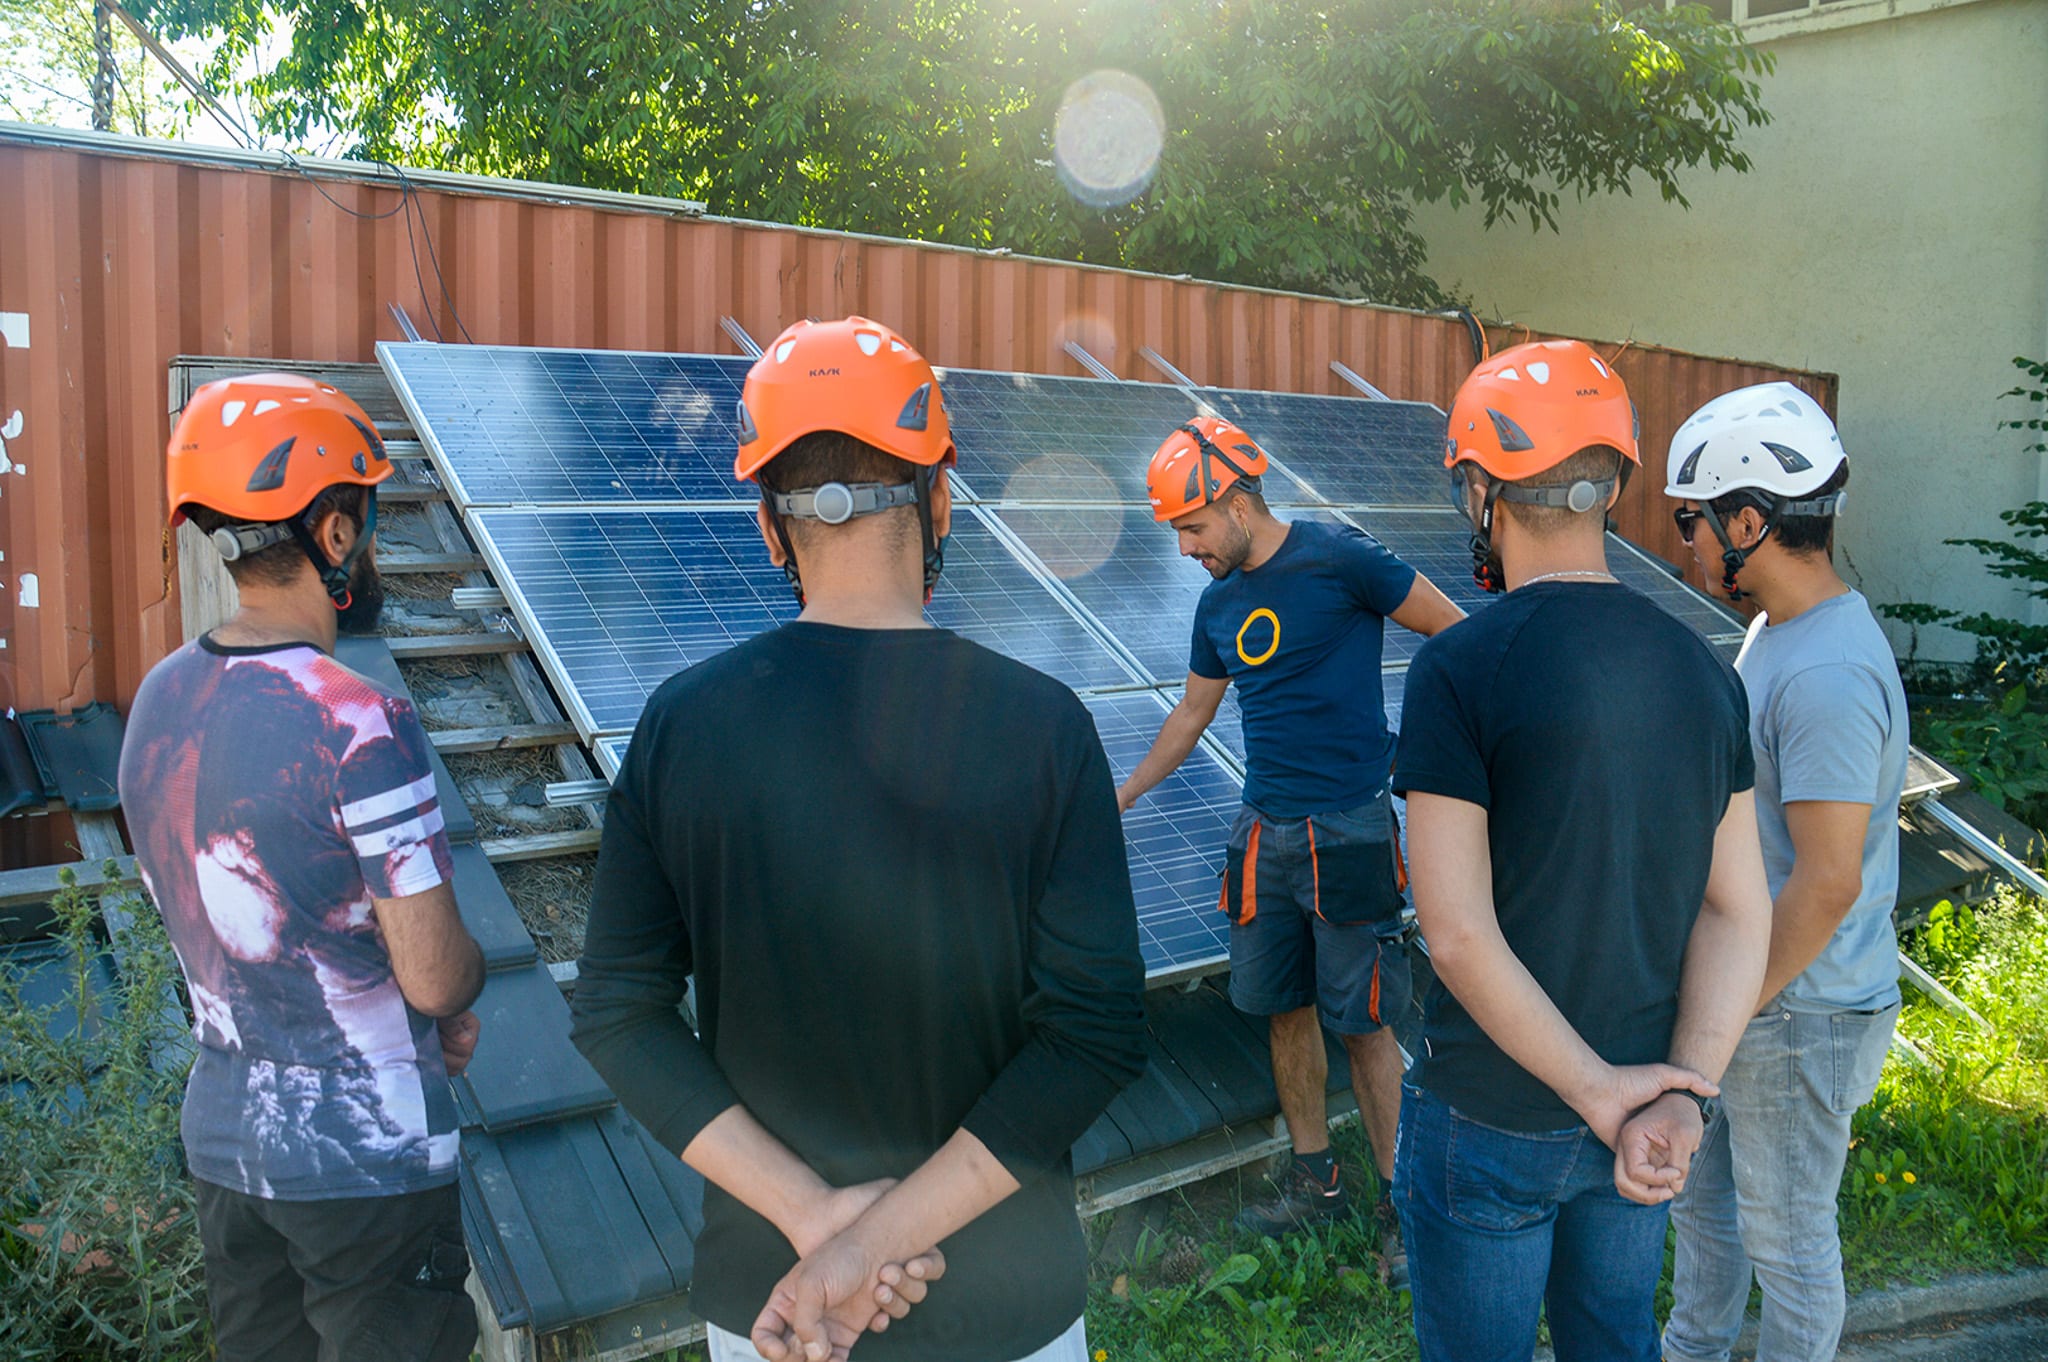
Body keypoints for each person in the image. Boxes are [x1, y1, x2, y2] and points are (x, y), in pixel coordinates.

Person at [568, 316, 1147, 1362]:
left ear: (768, 527)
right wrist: (877, 1240)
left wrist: (821, 1223)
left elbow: (617, 1015)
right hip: (1004, 1303)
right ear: (939, 500)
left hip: (777, 1305)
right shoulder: (1043, 726)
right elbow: (1093, 1035)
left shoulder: (682, 726)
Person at [1391, 340, 1775, 1362]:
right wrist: (1679, 1090)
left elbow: (1456, 934)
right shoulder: (1704, 671)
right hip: (1645, 1109)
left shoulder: (1457, 670)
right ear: (1612, 484)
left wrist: (1595, 1091)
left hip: (1490, 1113)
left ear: (1480, 490)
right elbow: (1738, 908)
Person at [118, 373, 486, 1362]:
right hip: (364, 1166)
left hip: (228, 1150)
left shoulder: (158, 700)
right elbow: (434, 976)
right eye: (366, 517)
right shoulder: (360, 718)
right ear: (333, 533)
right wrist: (450, 996)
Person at [1113, 415, 1464, 1273]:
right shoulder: (1217, 604)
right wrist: (1119, 793)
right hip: (1261, 831)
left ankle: (1401, 1207)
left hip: (1347, 831)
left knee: (1367, 1024)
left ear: (1237, 503)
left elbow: (1455, 635)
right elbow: (1192, 714)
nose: (1186, 548)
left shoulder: (1341, 559)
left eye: (1193, 527)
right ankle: (1316, 1180)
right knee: (1283, 1008)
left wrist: (1427, 757)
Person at [1661, 384, 1907, 1362]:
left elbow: (1827, 881)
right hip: (1760, 1000)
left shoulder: (1825, 673)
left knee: (1788, 1247)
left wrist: (1723, 1012)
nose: (1683, 540)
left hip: (1798, 1010)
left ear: (1747, 521)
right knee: (1704, 1218)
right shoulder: (1780, 631)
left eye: (1690, 519)